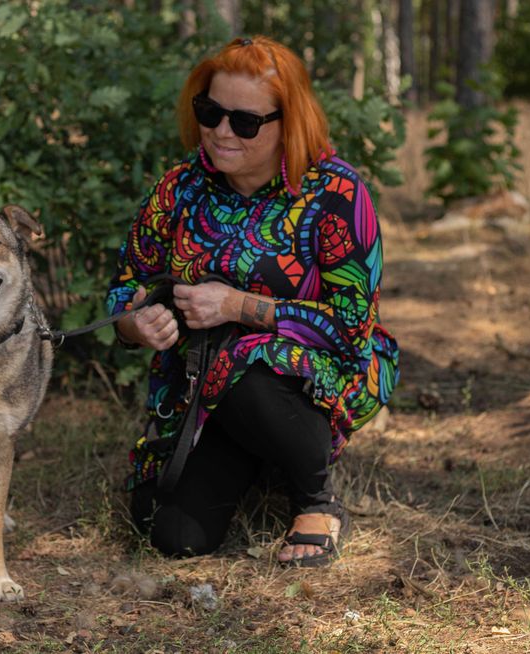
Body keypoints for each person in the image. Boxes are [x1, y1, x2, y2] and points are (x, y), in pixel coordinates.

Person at [105, 36, 399, 565]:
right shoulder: (179, 189)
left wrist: (237, 306)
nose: (221, 131)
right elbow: (127, 284)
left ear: (289, 122)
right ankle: (259, 460)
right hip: (206, 390)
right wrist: (135, 323)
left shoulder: (336, 194)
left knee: (252, 364)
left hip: (310, 380)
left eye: (244, 122)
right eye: (210, 112)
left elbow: (352, 327)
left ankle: (316, 498)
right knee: (172, 534)